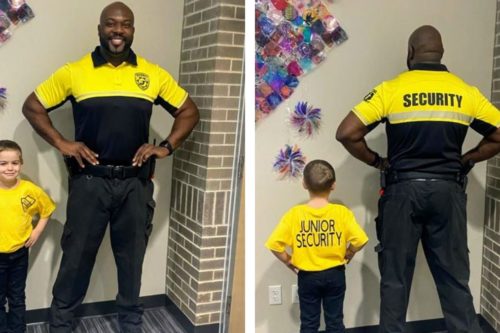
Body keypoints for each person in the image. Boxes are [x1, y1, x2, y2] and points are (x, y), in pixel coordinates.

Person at [21, 2, 199, 332]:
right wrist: (63, 143)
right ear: (100, 28)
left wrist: (165, 147)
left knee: (131, 261)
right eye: (111, 24)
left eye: (125, 25)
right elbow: (32, 106)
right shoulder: (75, 71)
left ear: (133, 30)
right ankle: (60, 325)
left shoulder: (152, 74)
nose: (118, 31)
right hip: (89, 183)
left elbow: (189, 111)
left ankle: (130, 324)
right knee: (75, 261)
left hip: (135, 184)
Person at [336, 25, 500, 333]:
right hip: (447, 193)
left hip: (402, 193)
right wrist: (467, 159)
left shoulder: (391, 89)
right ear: (441, 54)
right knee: (454, 279)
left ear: (410, 53)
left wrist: (378, 161)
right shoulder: (466, 92)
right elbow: (498, 135)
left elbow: (346, 133)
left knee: (395, 280)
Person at [265, 160, 369, 333]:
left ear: (304, 184)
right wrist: (349, 252)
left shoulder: (294, 214)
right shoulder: (341, 213)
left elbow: (274, 245)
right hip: (335, 274)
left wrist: (289, 261)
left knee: (309, 323)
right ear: (333, 185)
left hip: (307, 277)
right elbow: (361, 239)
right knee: (335, 321)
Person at [0, 140, 56, 333]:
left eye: (14, 163)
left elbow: (47, 209)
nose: (9, 168)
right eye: (3, 163)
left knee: (16, 297)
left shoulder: (29, 190)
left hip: (19, 255)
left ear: (21, 163)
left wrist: (36, 232)